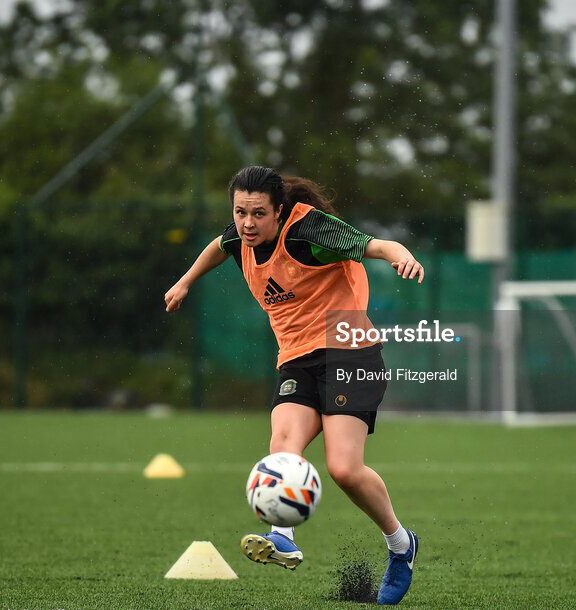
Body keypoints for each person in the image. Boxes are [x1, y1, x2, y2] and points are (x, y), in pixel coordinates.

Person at [164, 166, 422, 605]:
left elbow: (375, 244)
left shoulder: (309, 230)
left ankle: (401, 545)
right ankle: (282, 535)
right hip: (297, 360)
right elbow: (217, 247)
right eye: (240, 212)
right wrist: (186, 281)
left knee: (343, 469)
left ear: (278, 212)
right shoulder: (240, 236)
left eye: (258, 214)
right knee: (283, 443)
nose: (247, 223)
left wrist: (401, 255)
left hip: (349, 351)